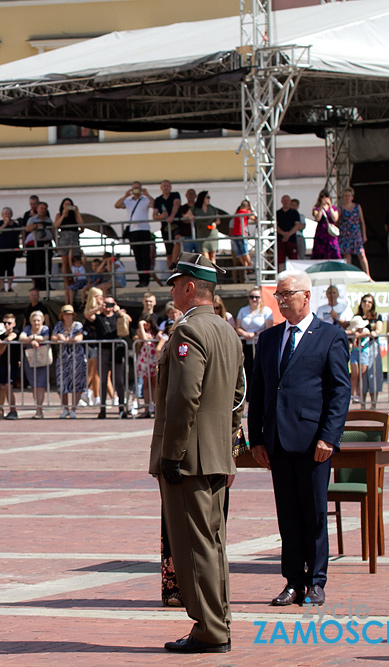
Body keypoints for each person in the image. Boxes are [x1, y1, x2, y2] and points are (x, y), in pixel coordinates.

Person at [150, 252, 244, 654]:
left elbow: (184, 397)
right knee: (213, 542)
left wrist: (172, 454)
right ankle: (216, 619)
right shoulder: (226, 330)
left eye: (174, 284)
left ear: (190, 286)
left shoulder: (188, 332)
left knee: (194, 544)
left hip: (190, 458)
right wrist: (227, 441)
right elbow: (239, 395)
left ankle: (209, 629)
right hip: (217, 454)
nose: (171, 290)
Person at [248, 270, 350, 608]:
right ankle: (293, 581)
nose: (280, 300)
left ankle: (316, 581)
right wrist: (256, 439)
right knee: (288, 515)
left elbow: (339, 391)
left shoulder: (330, 336)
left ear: (306, 296)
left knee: (314, 514)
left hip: (313, 442)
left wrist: (329, 437)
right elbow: (259, 391)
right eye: (277, 295)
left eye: (286, 294)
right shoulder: (269, 338)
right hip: (277, 442)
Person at [85, 294, 129, 419]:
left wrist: (119, 310)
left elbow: (129, 320)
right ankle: (103, 409)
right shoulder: (99, 317)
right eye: (106, 304)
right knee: (103, 380)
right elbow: (88, 316)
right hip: (103, 351)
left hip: (117, 351)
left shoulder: (118, 316)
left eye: (110, 304)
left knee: (119, 381)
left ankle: (122, 408)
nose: (108, 307)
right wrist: (99, 307)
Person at [114, 182, 154, 287]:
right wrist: (125, 195)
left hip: (144, 230)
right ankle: (141, 280)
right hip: (133, 231)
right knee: (138, 257)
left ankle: (146, 280)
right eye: (134, 188)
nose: (136, 190)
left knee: (145, 257)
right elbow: (117, 205)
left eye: (138, 188)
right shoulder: (128, 201)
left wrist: (147, 194)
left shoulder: (145, 200)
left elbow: (154, 205)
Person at [52, 304, 86, 419]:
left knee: (77, 383)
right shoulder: (58, 325)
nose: (68, 316)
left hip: (76, 358)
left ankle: (74, 409)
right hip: (63, 358)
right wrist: (58, 338)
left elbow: (79, 338)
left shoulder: (78, 325)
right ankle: (65, 408)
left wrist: (67, 340)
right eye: (66, 314)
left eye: (70, 314)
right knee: (62, 384)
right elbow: (53, 337)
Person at [235, 287, 273, 387]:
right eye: (252, 297)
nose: (254, 299)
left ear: (261, 298)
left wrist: (255, 334)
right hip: (245, 344)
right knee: (247, 368)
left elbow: (269, 329)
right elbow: (237, 327)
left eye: (257, 297)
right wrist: (244, 334)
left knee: (260, 367)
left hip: (260, 344)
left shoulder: (266, 311)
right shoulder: (243, 310)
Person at [19, 310, 51, 419]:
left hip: (43, 359)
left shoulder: (45, 329)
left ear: (42, 321)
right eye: (34, 320)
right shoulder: (28, 328)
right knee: (34, 385)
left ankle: (39, 409)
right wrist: (32, 340)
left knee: (40, 385)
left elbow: (46, 338)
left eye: (38, 320)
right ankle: (37, 407)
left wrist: (32, 338)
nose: (36, 323)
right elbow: (21, 337)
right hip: (30, 359)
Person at [353, 294, 383, 408]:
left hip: (372, 345)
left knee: (373, 373)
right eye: (365, 301)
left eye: (370, 302)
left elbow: (379, 329)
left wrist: (374, 333)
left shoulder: (377, 316)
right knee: (362, 375)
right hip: (359, 347)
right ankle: (362, 403)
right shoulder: (357, 317)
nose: (367, 304)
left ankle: (373, 404)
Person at [337, 188, 370, 276]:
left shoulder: (357, 206)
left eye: (349, 196)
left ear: (352, 197)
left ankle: (368, 275)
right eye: (345, 196)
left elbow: (362, 221)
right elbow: (337, 222)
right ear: (343, 197)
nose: (347, 197)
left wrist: (364, 235)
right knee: (347, 256)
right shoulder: (340, 208)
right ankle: (348, 275)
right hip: (345, 234)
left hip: (356, 233)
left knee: (361, 254)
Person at [54, 198, 84, 288]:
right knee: (65, 261)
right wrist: (63, 214)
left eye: (69, 204)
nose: (67, 205)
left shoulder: (74, 215)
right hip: (64, 238)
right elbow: (56, 225)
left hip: (73, 237)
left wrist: (77, 212)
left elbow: (82, 225)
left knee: (74, 260)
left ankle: (74, 280)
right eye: (65, 204)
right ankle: (66, 282)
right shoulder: (59, 215)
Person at [0, 313, 21, 420]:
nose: (7, 325)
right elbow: (1, 351)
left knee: (8, 387)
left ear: (14, 324)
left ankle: (13, 410)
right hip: (3, 363)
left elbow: (12, 337)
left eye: (9, 323)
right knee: (1, 387)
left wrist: (3, 342)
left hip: (13, 363)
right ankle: (0, 409)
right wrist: (3, 341)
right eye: (5, 323)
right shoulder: (2, 335)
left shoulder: (17, 332)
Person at [24, 201, 54, 290]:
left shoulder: (49, 220)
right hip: (38, 244)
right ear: (37, 209)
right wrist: (36, 225)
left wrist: (56, 244)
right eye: (41, 208)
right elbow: (27, 228)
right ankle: (37, 285)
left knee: (47, 264)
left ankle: (47, 284)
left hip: (48, 243)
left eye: (45, 209)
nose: (43, 210)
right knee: (38, 265)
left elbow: (53, 231)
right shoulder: (32, 219)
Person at [154, 180, 183, 267]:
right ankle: (171, 273)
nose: (166, 188)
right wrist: (161, 216)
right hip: (165, 227)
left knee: (178, 239)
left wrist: (172, 216)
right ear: (161, 188)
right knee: (168, 251)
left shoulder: (175, 195)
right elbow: (154, 215)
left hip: (177, 223)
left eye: (168, 186)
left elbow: (176, 204)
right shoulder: (158, 200)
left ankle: (174, 262)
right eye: (164, 186)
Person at [0, 207, 21, 292]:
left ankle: (9, 286)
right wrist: (5, 224)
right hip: (1, 249)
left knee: (10, 268)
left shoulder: (15, 224)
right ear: (2, 215)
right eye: (5, 214)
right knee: (2, 267)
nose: (7, 215)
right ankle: (2, 287)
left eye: (8, 213)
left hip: (12, 249)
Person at [192, 191, 221, 265]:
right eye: (207, 197)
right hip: (202, 234)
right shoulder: (196, 208)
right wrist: (191, 217)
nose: (209, 199)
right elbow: (186, 215)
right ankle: (208, 272)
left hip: (212, 234)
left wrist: (214, 223)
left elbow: (218, 220)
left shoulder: (212, 208)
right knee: (205, 257)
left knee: (213, 257)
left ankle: (213, 273)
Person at [311, 190, 341, 260]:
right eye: (322, 196)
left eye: (326, 196)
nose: (324, 198)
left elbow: (335, 218)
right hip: (321, 233)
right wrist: (321, 207)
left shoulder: (333, 208)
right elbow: (317, 218)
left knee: (333, 251)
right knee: (320, 252)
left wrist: (330, 207)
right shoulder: (316, 208)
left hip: (330, 234)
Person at [230, 199, 255, 281]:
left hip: (234, 234)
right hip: (241, 234)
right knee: (245, 252)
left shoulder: (237, 213)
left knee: (239, 254)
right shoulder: (246, 212)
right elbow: (254, 218)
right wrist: (251, 209)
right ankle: (250, 266)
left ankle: (247, 267)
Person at [276, 195, 304, 269]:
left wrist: (288, 234)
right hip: (280, 240)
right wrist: (283, 233)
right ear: (281, 202)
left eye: (287, 201)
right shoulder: (278, 213)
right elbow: (275, 225)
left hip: (291, 240)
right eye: (284, 201)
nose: (286, 202)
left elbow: (297, 225)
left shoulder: (295, 213)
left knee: (293, 259)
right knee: (280, 260)